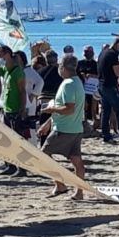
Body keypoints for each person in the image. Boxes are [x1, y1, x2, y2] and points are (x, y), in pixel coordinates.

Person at [40, 55, 88, 200]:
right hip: (75, 128)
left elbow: (69, 109)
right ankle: (79, 192)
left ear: (64, 67)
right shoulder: (77, 82)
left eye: (60, 65)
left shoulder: (68, 84)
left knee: (43, 155)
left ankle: (60, 184)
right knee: (77, 161)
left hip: (64, 129)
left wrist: (51, 109)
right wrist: (48, 123)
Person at [0, 46, 28, 175]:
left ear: (7, 54)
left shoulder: (18, 72)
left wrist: (22, 109)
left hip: (15, 109)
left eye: (0, 54)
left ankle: (21, 168)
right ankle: (10, 165)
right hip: (6, 109)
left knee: (17, 140)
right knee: (6, 140)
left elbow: (23, 92)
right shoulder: (5, 70)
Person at [97, 38, 119, 143]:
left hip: (102, 84)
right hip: (110, 86)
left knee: (105, 111)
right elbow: (118, 73)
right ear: (118, 45)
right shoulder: (112, 54)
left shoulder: (103, 52)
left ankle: (106, 135)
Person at [18, 50, 44, 146]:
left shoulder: (29, 71)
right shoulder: (15, 71)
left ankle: (32, 146)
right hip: (18, 101)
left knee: (29, 126)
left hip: (29, 101)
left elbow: (40, 82)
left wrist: (33, 94)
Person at [78, 45, 100, 129]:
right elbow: (76, 73)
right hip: (82, 88)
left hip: (93, 88)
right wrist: (82, 75)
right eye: (86, 52)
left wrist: (91, 75)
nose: (87, 54)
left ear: (93, 53)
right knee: (83, 105)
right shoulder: (80, 63)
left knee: (93, 106)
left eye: (89, 52)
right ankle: (84, 122)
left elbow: (100, 75)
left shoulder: (96, 64)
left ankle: (94, 122)